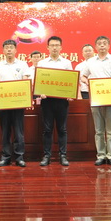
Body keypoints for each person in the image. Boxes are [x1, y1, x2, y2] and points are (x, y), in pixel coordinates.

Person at [81, 36, 111, 166]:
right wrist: (88, 83)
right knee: (98, 130)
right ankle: (100, 155)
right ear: (96, 47)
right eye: (99, 44)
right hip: (96, 98)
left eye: (104, 43)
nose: (102, 45)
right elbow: (83, 76)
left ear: (109, 46)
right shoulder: (90, 61)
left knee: (110, 130)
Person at [37, 36, 73, 167]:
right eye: (52, 45)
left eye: (57, 45)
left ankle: (63, 155)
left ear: (61, 47)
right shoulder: (42, 63)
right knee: (47, 129)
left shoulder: (66, 63)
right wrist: (40, 92)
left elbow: (71, 80)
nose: (54, 48)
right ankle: (47, 155)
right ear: (47, 47)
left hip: (62, 101)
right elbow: (38, 81)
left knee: (62, 129)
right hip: (47, 101)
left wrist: (70, 93)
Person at [0, 39, 29, 167]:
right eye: (6, 47)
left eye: (11, 47)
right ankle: (6, 157)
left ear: (16, 50)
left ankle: (19, 157)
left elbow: (25, 81)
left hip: (18, 103)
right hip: (3, 103)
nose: (9, 49)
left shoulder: (23, 64)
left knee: (19, 131)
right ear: (3, 50)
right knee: (5, 131)